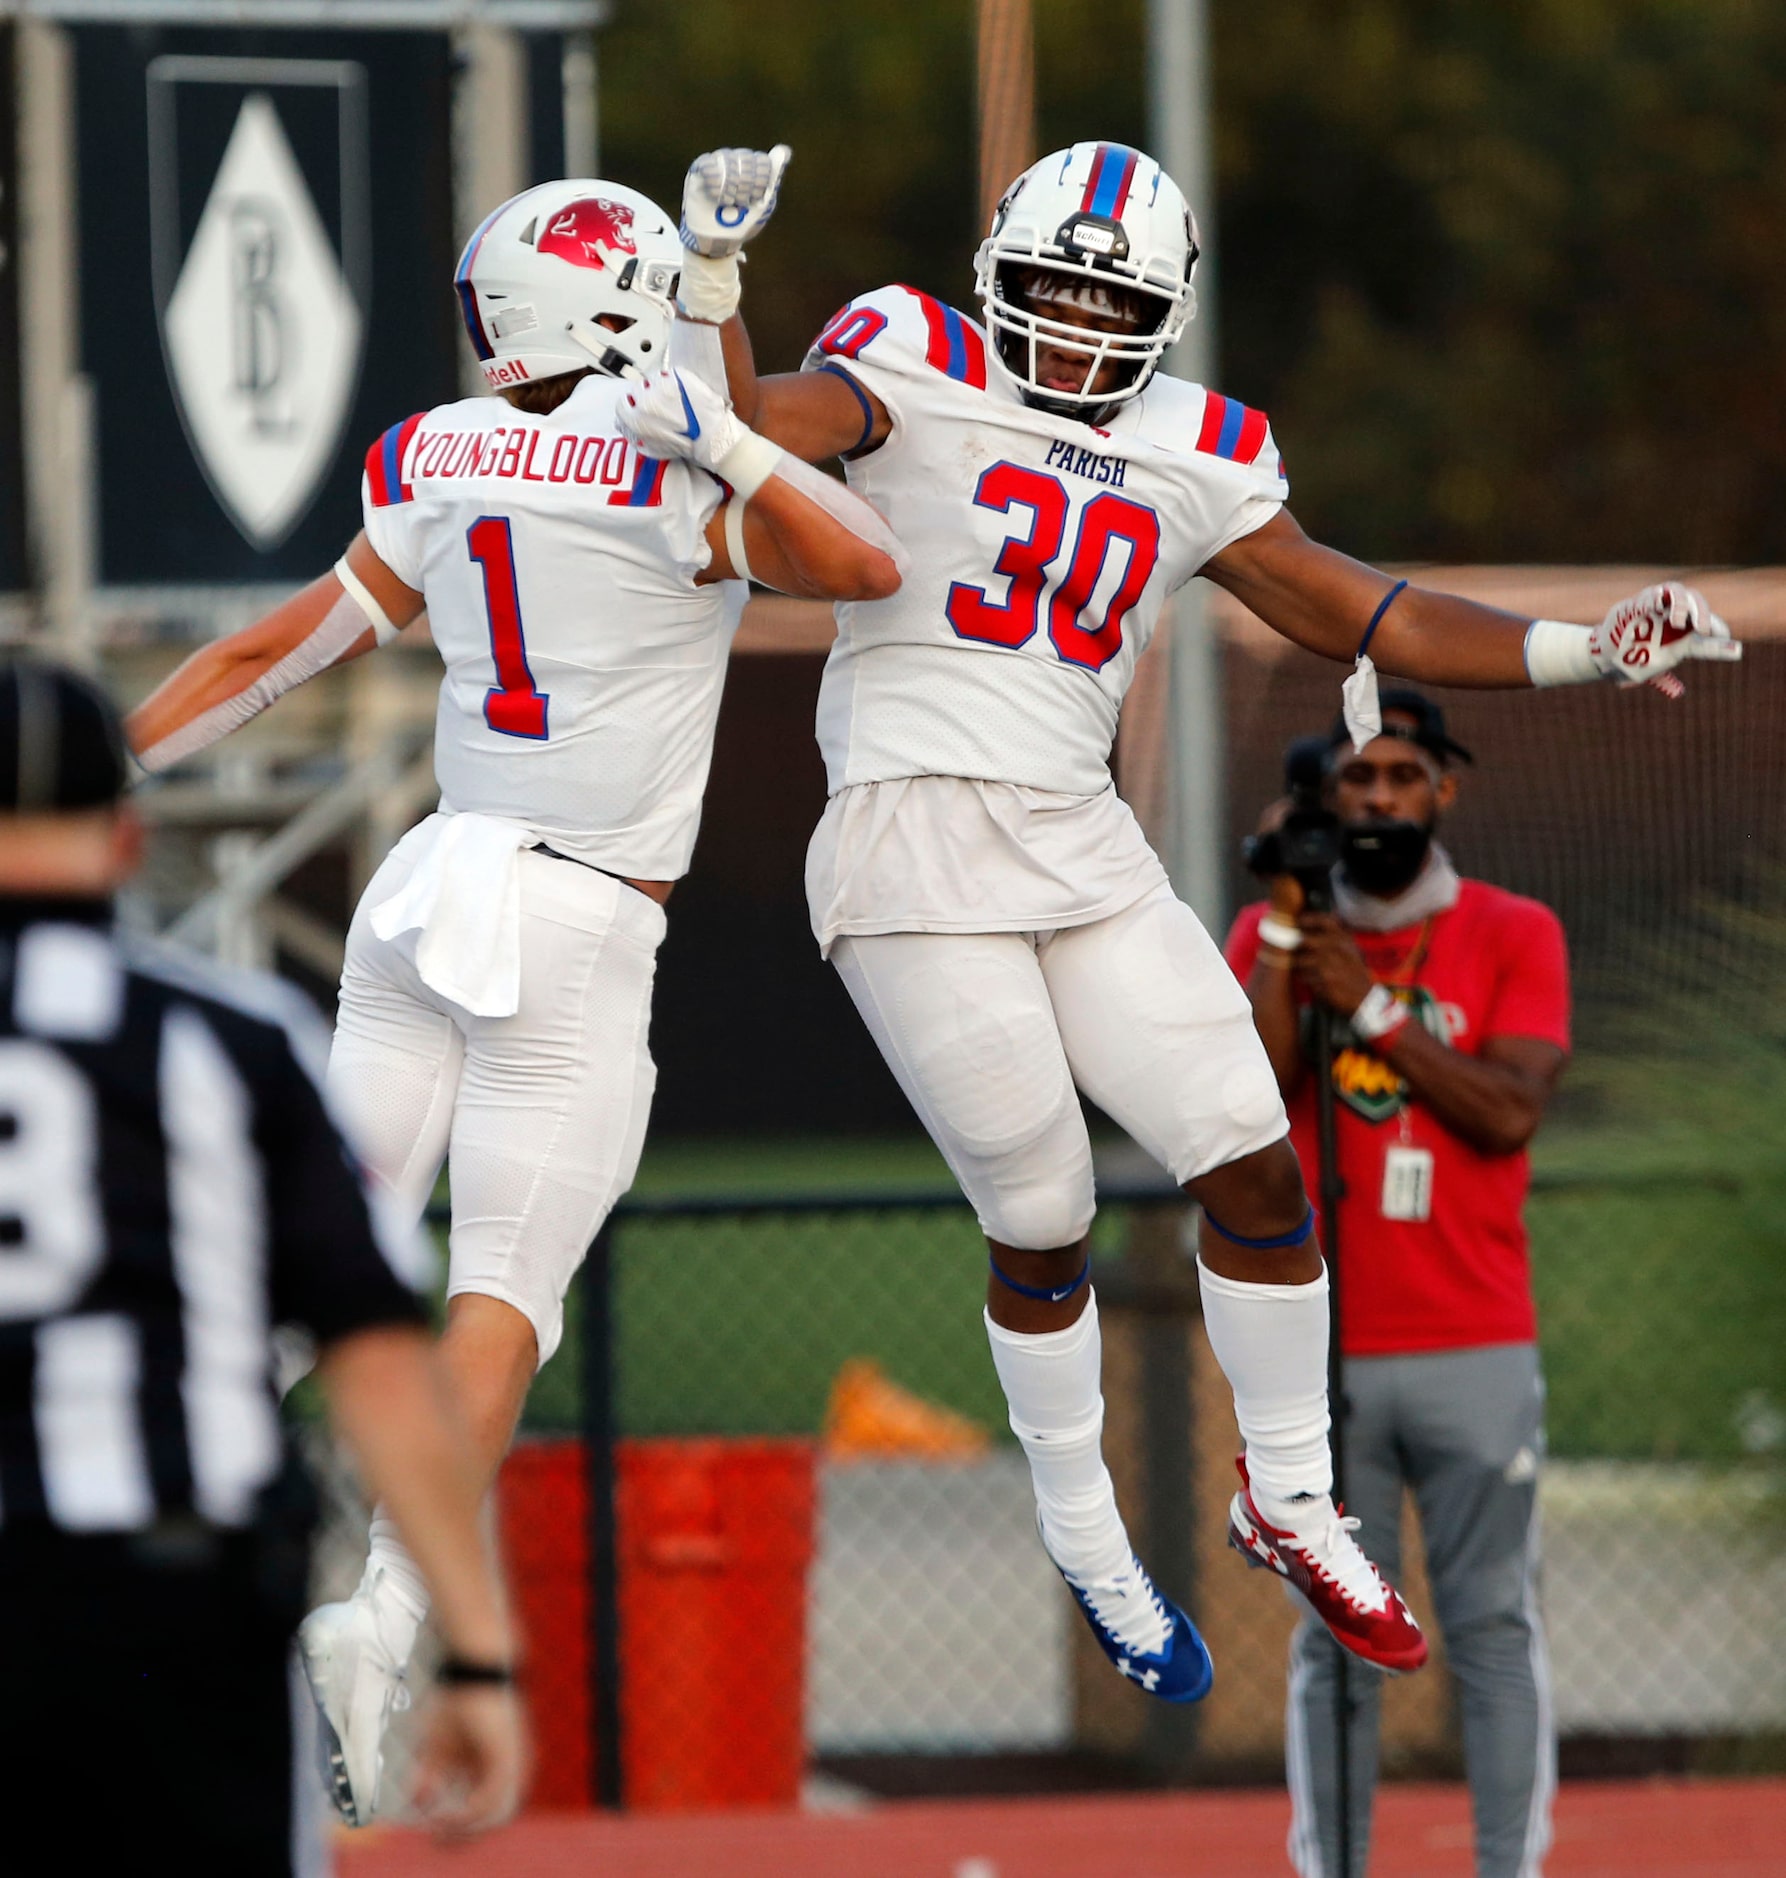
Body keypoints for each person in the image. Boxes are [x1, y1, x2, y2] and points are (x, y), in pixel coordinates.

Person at [698, 137, 1737, 1699]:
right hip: (909, 838)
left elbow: (1354, 604)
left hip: (1082, 842)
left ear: (1165, 311)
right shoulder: (910, 346)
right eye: (1045, 289)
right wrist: (714, 282)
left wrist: (1583, 649)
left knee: (1251, 1157)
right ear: (998, 273)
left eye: (1099, 299)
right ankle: (1083, 1527)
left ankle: (1291, 1495)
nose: (1064, 325)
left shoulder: (1199, 444)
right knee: (1039, 1205)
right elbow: (744, 423)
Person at [126, 159, 902, 1824]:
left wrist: (67, 786)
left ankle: (98, 1488)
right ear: (619, 305)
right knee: (502, 1297)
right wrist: (739, 436)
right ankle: (385, 1614)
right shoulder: (676, 476)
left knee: (305, 1261)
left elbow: (269, 655)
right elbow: (865, 567)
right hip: (574, 919)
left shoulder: (434, 451)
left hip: (425, 892)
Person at [0, 662, 525, 1873]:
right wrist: (479, 1650)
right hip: (177, 1600)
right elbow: (377, 1360)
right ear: (126, 842)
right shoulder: (228, 1042)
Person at [1226, 691, 1564, 1878]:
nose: (1377, 800)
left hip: (1473, 1335)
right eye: (1355, 779)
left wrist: (1365, 1006)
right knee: (1335, 1638)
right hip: (1326, 1354)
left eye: (1402, 777)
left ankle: (1505, 1867)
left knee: (1489, 1626)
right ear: (1323, 799)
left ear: (1443, 790)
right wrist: (1284, 929)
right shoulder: (1274, 935)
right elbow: (1252, 1097)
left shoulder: (1514, 930)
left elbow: (1507, 1113)